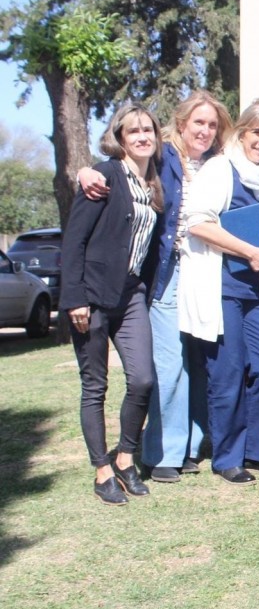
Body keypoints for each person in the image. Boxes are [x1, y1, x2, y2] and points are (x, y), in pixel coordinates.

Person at [78, 90, 233, 483]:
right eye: (198, 122)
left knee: (199, 362)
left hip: (207, 270)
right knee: (169, 362)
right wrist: (86, 171)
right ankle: (162, 451)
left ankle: (191, 446)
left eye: (212, 124)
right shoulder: (163, 156)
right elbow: (119, 166)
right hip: (167, 270)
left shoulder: (218, 164)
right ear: (181, 123)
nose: (205, 130)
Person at [179, 102, 259, 485]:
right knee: (226, 374)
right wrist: (249, 251)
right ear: (241, 132)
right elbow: (198, 224)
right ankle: (227, 457)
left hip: (254, 290)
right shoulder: (219, 168)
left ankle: (257, 452)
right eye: (257, 132)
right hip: (221, 288)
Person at [61, 102, 163, 505]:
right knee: (95, 385)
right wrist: (75, 298)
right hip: (93, 295)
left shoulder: (152, 183)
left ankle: (125, 457)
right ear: (120, 137)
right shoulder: (104, 175)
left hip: (132, 292)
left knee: (142, 379)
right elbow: (74, 240)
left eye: (148, 131)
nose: (142, 137)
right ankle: (102, 469)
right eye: (133, 131)